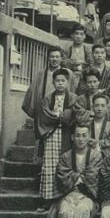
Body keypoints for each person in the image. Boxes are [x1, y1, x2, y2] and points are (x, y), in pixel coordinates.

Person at [53, 124, 102, 218]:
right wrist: (79, 177)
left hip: (88, 195)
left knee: (82, 210)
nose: (81, 139)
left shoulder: (96, 155)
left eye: (84, 135)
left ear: (89, 137)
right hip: (69, 194)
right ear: (72, 137)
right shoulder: (65, 156)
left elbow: (93, 175)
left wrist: (74, 176)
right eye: (78, 135)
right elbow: (62, 176)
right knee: (65, 210)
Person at [37, 69, 78, 209]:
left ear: (67, 82)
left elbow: (70, 116)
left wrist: (61, 115)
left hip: (66, 134)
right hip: (51, 134)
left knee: (65, 164)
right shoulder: (48, 98)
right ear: (53, 82)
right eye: (57, 81)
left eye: (63, 81)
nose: (60, 83)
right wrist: (60, 116)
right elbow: (45, 115)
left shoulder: (72, 97)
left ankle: (64, 198)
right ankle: (47, 199)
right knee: (49, 167)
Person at [22, 47, 75, 139]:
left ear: (61, 58)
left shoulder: (68, 73)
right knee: (43, 143)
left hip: (63, 112)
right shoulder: (41, 74)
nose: (54, 59)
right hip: (44, 113)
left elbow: (73, 91)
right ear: (48, 58)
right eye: (52, 57)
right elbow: (32, 92)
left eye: (57, 57)